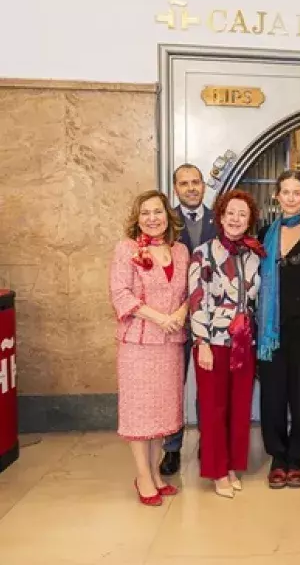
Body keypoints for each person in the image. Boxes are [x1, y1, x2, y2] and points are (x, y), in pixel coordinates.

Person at [109, 190, 189, 506]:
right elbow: (120, 294)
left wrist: (180, 314)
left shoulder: (180, 251)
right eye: (145, 213)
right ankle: (143, 476)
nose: (152, 218)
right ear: (137, 218)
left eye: (158, 212)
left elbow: (189, 291)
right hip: (138, 345)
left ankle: (156, 473)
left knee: (161, 411)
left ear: (168, 216)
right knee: (140, 412)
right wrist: (159, 318)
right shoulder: (126, 249)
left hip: (170, 344)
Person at [189, 189, 264, 498]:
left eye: (242, 215)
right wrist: (202, 342)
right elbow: (196, 299)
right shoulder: (203, 253)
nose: (235, 219)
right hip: (213, 342)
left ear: (249, 221)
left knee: (238, 407)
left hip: (244, 342)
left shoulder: (253, 254)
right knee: (213, 408)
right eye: (230, 213)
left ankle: (232, 464)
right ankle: (217, 470)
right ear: (220, 216)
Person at [257, 170, 300, 489]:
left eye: (296, 192)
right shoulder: (262, 235)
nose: (289, 198)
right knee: (273, 395)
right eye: (284, 192)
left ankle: (297, 455)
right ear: (277, 196)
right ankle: (278, 455)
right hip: (270, 330)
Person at [161, 163, 217, 476]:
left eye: (196, 182)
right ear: (176, 188)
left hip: (211, 319)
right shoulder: (162, 222)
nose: (191, 188)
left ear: (204, 185)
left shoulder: (219, 219)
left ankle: (210, 441)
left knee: (209, 385)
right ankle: (172, 448)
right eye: (184, 183)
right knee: (174, 385)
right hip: (176, 318)